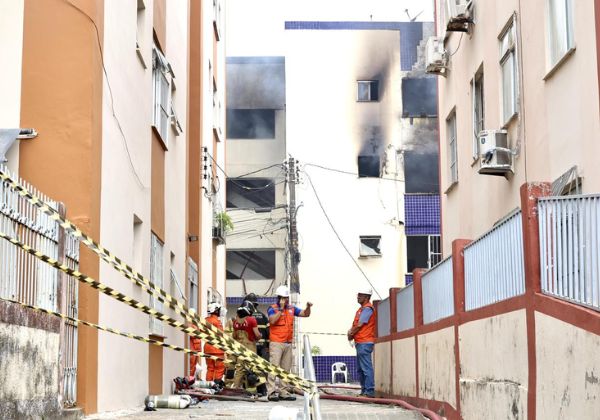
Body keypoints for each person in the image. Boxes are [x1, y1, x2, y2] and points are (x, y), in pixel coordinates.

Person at [266, 285, 312, 402]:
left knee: (286, 369)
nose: (286, 300)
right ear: (279, 298)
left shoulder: (292, 308)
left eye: (286, 298)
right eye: (283, 298)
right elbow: (272, 320)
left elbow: (305, 314)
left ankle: (283, 391)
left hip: (288, 343)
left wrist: (308, 307)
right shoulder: (273, 308)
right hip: (276, 343)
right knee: (273, 368)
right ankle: (271, 392)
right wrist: (281, 310)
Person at [347, 287, 376, 398]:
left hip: (365, 342)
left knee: (366, 368)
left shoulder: (367, 309)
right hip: (360, 342)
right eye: (358, 295)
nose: (358, 297)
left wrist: (350, 333)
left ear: (367, 297)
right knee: (361, 369)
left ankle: (369, 392)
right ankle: (364, 391)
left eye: (361, 295)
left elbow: (359, 325)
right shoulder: (362, 309)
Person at [229, 301, 261, 390]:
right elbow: (257, 335)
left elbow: (234, 336)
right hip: (250, 347)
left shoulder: (236, 321)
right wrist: (259, 336)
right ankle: (251, 389)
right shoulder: (252, 320)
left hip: (239, 347)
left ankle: (236, 388)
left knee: (240, 369)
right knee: (251, 368)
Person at [244, 293, 270, 396]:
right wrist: (267, 347)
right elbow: (268, 332)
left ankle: (251, 390)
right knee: (261, 368)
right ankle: (262, 390)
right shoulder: (263, 316)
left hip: (250, 347)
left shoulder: (246, 317)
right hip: (262, 348)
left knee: (250, 369)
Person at [204, 302, 226, 382]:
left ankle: (209, 385)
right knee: (219, 369)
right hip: (217, 349)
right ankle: (217, 385)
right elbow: (221, 335)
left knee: (210, 368)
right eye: (219, 310)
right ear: (216, 310)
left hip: (207, 348)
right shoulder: (217, 322)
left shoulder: (205, 320)